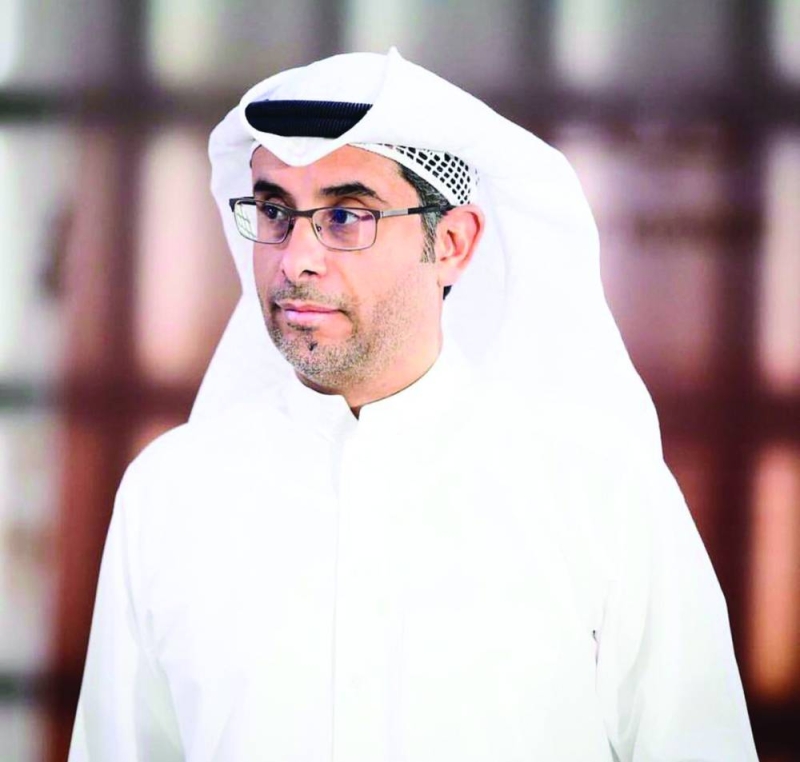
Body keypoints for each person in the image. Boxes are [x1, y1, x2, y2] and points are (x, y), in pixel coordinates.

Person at [69, 49, 758, 761]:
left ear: (453, 243)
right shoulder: (171, 493)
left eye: (345, 216)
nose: (295, 258)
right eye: (274, 211)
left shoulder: (602, 491)